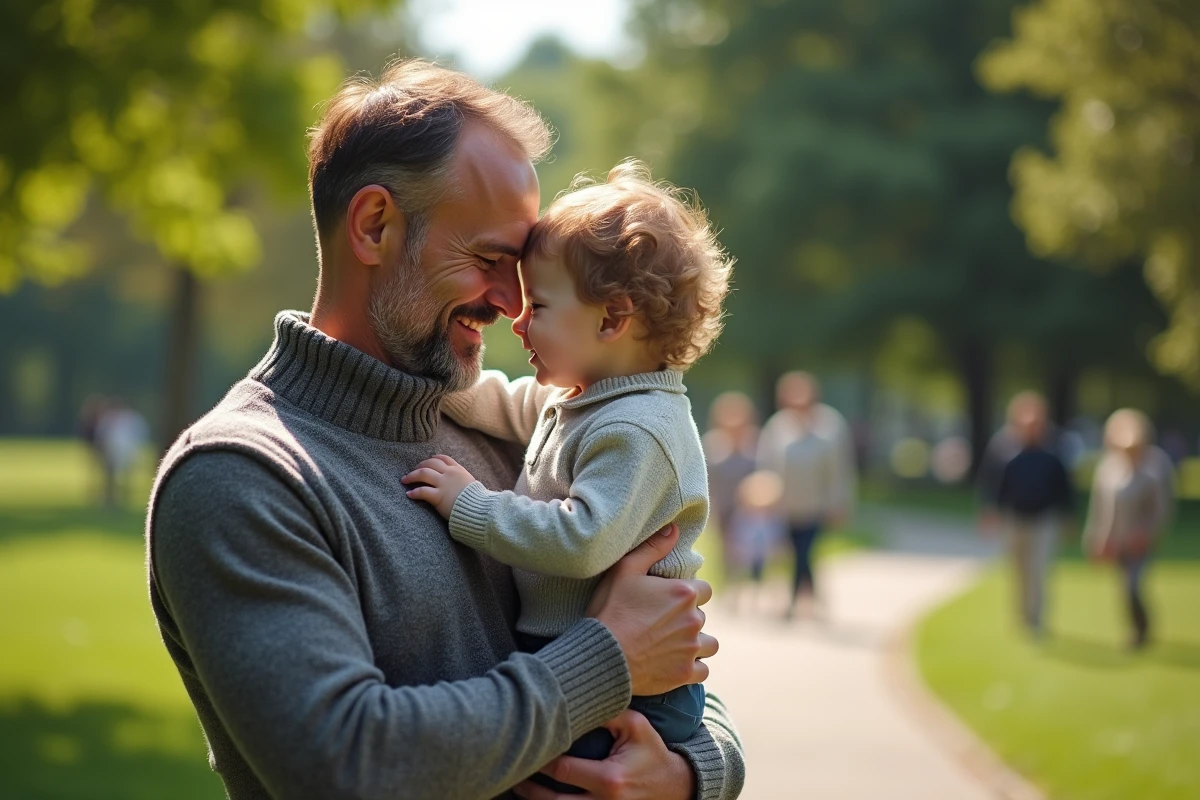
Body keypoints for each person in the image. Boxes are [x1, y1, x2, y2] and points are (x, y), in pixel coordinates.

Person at [146, 60, 743, 800]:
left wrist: (689, 776)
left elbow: (668, 655)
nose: (512, 304)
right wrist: (605, 660)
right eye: (491, 259)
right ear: (375, 226)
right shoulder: (240, 476)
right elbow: (348, 767)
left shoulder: (518, 432)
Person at [404, 161, 732, 792]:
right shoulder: (585, 397)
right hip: (590, 656)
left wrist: (471, 505)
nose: (517, 321)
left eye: (539, 306)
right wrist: (430, 381)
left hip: (635, 690)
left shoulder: (638, 428)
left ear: (611, 319)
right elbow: (502, 402)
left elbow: (581, 540)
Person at [757, 371, 856, 620]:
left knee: (804, 552)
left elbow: (840, 469)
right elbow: (766, 465)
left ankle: (792, 603)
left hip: (816, 505)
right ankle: (815, 600)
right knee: (794, 554)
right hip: (784, 506)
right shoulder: (777, 427)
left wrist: (840, 502)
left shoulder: (831, 425)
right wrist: (763, 497)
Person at [976, 392, 1073, 637]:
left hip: (1044, 519)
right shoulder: (1003, 447)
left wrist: (1067, 517)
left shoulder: (1053, 449)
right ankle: (1023, 615)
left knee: (1039, 571)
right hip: (1013, 519)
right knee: (1019, 570)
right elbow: (990, 483)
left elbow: (1064, 486)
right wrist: (989, 512)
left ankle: (1036, 620)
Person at [1084, 409, 1175, 650]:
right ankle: (1136, 628)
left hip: (1141, 540)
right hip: (1117, 540)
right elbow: (1100, 508)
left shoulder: (1155, 465)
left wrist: (1147, 533)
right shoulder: (1108, 466)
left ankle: (1140, 630)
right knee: (1124, 586)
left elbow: (1161, 508)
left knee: (1133, 584)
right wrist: (1097, 538)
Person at [702, 391, 760, 586]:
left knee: (751, 551)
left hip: (749, 509)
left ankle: (751, 584)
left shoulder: (754, 444)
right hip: (723, 507)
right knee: (726, 551)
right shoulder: (712, 445)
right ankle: (730, 585)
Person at [724, 470, 785, 614]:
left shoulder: (772, 517)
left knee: (769, 576)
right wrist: (735, 546)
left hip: (765, 550)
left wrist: (778, 547)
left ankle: (775, 603)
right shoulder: (742, 515)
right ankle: (734, 601)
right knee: (740, 576)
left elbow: (777, 533)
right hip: (746, 550)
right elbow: (737, 531)